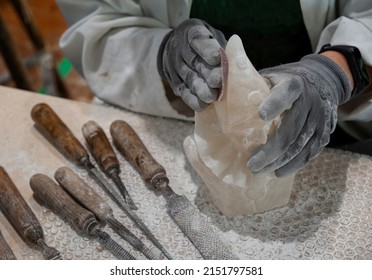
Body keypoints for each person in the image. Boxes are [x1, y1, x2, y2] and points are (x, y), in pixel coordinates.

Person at [55, 0, 372, 177]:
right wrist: (162, 52)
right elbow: (96, 22)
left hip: (340, 135)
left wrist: (337, 70)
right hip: (169, 129)